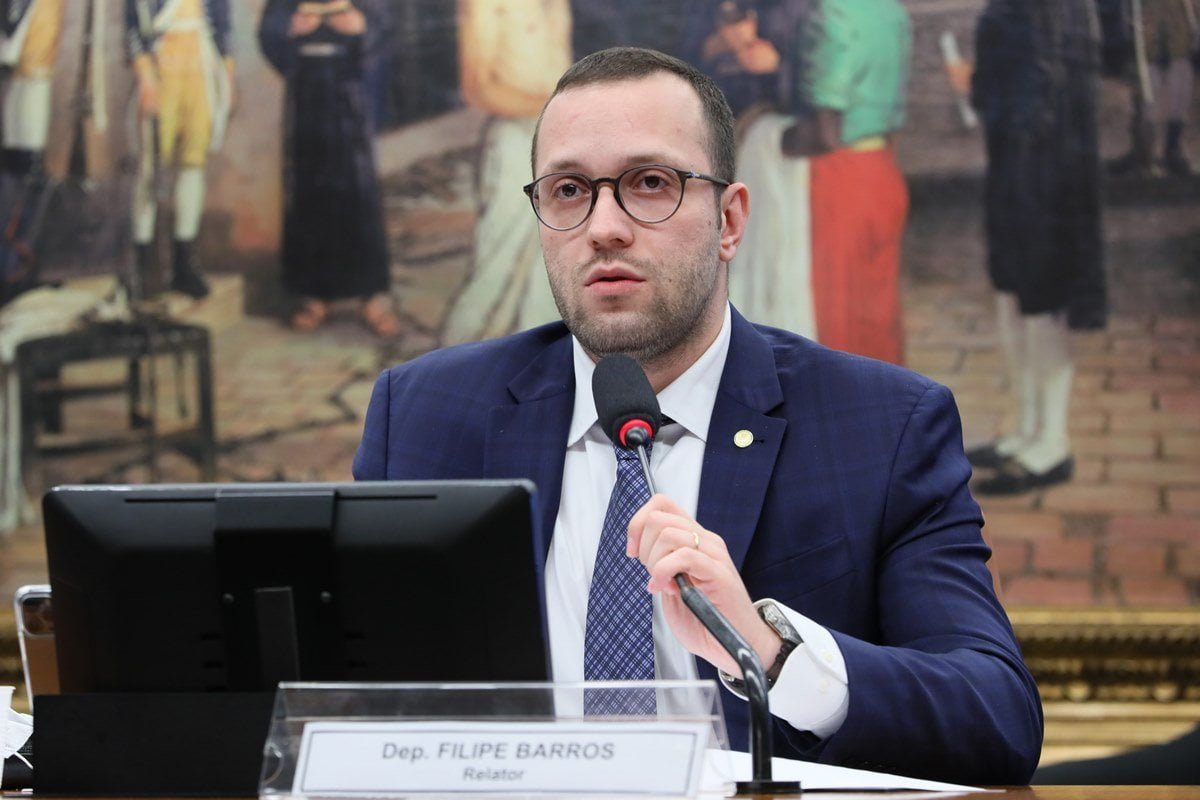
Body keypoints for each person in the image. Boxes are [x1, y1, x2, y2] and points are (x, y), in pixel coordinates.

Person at [354, 47, 1042, 785]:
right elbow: (349, 704)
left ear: (729, 220)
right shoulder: (423, 416)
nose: (605, 227)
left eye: (650, 183)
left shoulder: (884, 425)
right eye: (567, 190)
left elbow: (994, 717)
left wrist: (769, 648)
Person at [969, 0, 1107, 494]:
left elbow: (1032, 94)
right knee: (1014, 295)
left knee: (1043, 303)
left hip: (1046, 173)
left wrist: (978, 92)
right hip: (1023, 165)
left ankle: (1053, 441)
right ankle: (1028, 430)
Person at [258, 0, 398, 337]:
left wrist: (361, 26)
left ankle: (370, 297)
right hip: (307, 96)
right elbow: (269, 30)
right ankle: (314, 296)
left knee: (358, 193)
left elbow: (386, 28)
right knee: (308, 191)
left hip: (349, 93)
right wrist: (290, 28)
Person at [785, 0, 912, 366]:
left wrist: (768, 139)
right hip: (882, 169)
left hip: (840, 178)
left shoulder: (833, 14)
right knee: (879, 312)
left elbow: (827, 132)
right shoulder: (892, 12)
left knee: (836, 315)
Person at [439, 0, 570, 345]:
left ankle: (540, 368)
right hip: (514, 143)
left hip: (561, 142)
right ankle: (458, 363)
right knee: (498, 263)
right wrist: (558, 109)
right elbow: (478, 89)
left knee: (552, 264)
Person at [126, 0, 234, 300]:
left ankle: (184, 262)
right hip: (161, 63)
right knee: (151, 167)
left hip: (200, 62)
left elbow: (223, 23)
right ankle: (143, 264)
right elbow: (133, 24)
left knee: (192, 164)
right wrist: (145, 76)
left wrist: (227, 72)